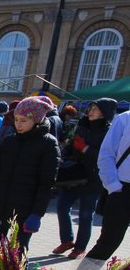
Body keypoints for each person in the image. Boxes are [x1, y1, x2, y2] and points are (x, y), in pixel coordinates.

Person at [0, 96, 60, 253]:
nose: (18, 125)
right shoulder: (9, 141)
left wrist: (37, 214)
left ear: (37, 120)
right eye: (16, 119)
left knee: (18, 256)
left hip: (24, 211)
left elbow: (46, 184)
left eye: (23, 121)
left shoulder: (48, 144)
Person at [53, 97, 117, 259]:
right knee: (61, 207)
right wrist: (66, 151)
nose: (91, 111)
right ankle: (67, 240)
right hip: (73, 174)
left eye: (96, 109)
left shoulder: (109, 131)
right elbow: (69, 145)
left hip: (93, 179)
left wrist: (86, 149)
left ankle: (80, 247)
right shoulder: (81, 125)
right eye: (91, 108)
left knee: (86, 214)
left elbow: (108, 156)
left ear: (105, 113)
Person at [83, 109, 130, 262]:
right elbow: (106, 154)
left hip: (120, 188)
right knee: (107, 244)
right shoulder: (125, 119)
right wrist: (114, 186)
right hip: (123, 189)